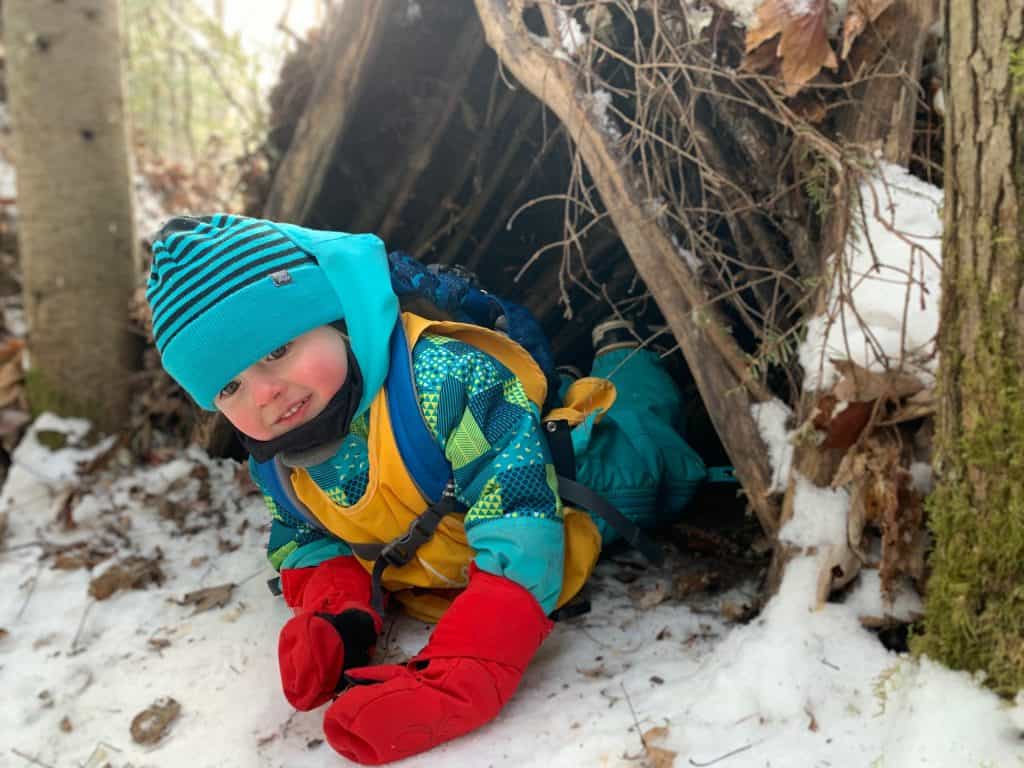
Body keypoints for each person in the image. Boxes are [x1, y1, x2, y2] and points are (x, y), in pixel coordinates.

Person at [146, 214, 706, 765]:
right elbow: (308, 535)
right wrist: (336, 614)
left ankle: (630, 349)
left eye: (277, 351)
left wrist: (466, 671)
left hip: (573, 486)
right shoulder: (276, 456)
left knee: (657, 454)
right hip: (449, 550)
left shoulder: (439, 378)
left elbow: (519, 514)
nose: (265, 393)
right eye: (231, 385)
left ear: (336, 318)